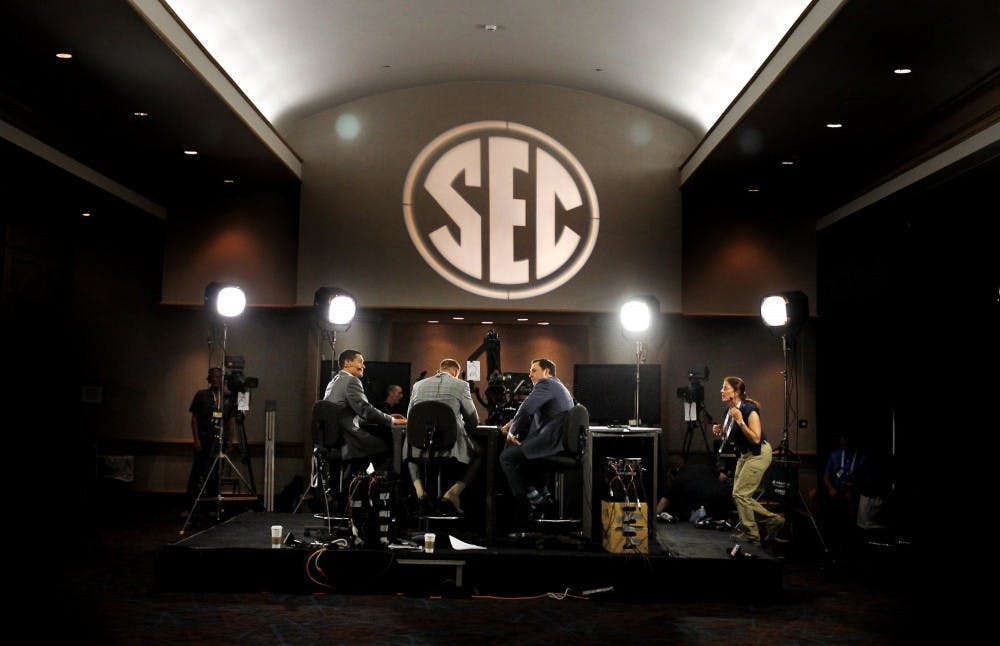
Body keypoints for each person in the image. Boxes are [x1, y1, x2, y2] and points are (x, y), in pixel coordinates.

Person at [711, 376, 785, 545]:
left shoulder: (749, 409)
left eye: (725, 388)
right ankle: (774, 521)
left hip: (759, 453)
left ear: (736, 392)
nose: (721, 391)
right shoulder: (729, 411)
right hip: (745, 455)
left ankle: (752, 534)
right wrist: (721, 431)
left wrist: (740, 421)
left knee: (741, 495)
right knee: (739, 496)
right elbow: (733, 435)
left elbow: (756, 439)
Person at [499, 358, 574, 522]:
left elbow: (526, 408)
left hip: (549, 443)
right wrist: (511, 423)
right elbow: (535, 411)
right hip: (559, 444)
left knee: (507, 457)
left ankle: (533, 502)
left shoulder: (545, 384)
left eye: (534, 370)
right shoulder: (558, 385)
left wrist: (512, 432)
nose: (530, 374)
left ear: (546, 372)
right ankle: (545, 496)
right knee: (527, 460)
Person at [404, 358, 482, 514]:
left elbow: (410, 416)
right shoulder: (461, 385)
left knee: (412, 453)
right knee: (479, 453)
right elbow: (473, 421)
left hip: (420, 445)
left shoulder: (418, 385)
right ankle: (453, 493)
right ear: (455, 371)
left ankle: (420, 491)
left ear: (440, 369)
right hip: (449, 446)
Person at [323, 349, 406, 472]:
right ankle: (374, 483)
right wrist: (391, 420)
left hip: (334, 438)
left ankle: (360, 478)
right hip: (349, 439)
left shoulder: (333, 381)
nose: (363, 366)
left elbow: (347, 414)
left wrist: (385, 416)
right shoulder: (351, 380)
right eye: (360, 362)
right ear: (347, 362)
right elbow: (365, 410)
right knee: (388, 447)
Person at [185, 367, 236, 503]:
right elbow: (194, 419)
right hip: (204, 440)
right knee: (197, 472)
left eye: (219, 377)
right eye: (213, 377)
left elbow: (231, 421)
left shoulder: (228, 398)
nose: (216, 379)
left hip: (220, 441)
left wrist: (230, 441)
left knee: (215, 474)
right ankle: (190, 504)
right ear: (209, 379)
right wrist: (196, 440)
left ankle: (211, 504)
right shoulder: (201, 395)